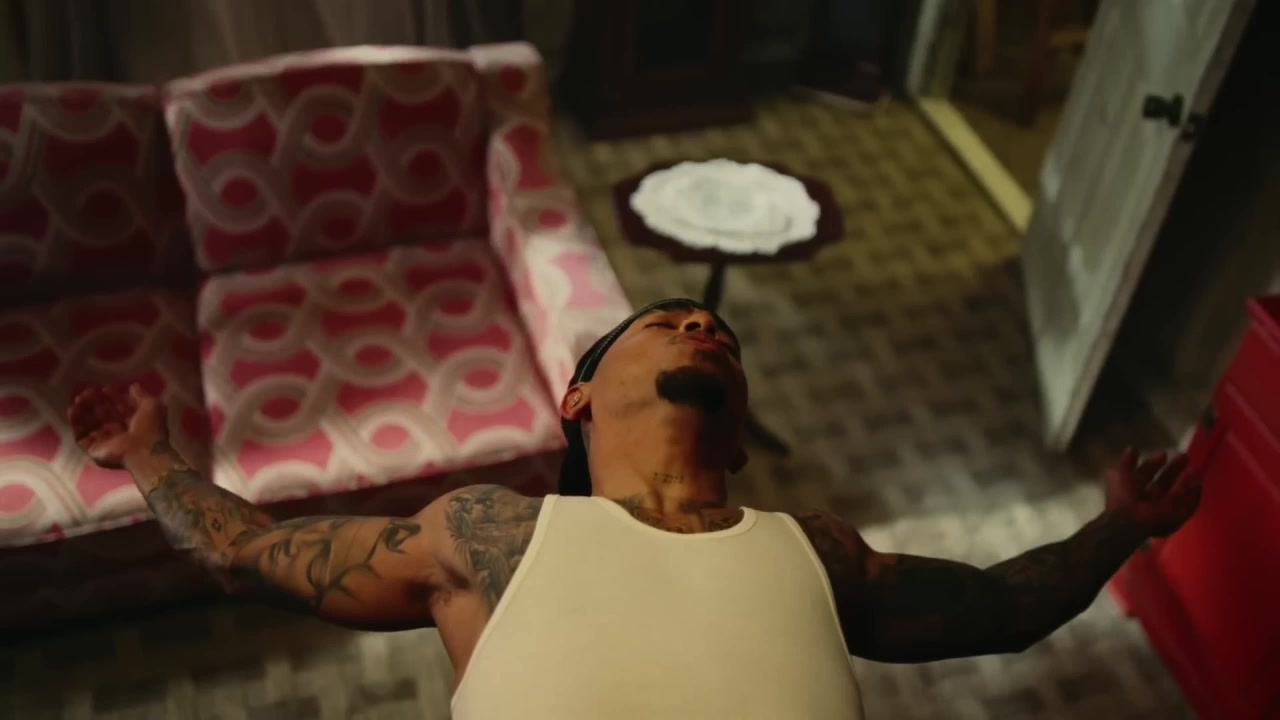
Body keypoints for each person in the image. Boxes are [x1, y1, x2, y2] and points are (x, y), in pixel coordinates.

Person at [70, 298, 1201, 719]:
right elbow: (247, 550)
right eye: (667, 323)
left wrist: (1119, 523)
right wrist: (150, 455)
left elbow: (1003, 607)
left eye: (722, 338)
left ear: (741, 428)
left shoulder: (816, 552)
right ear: (575, 398)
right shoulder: (491, 537)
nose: (702, 328)